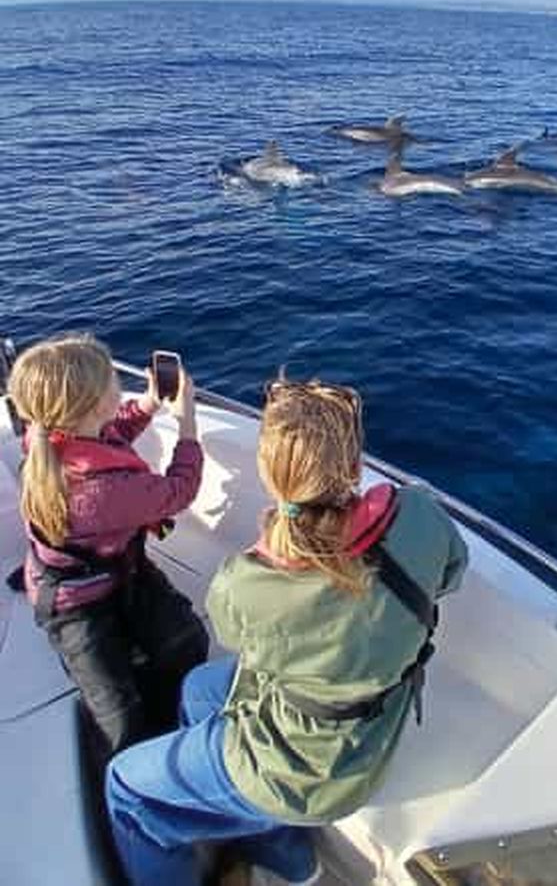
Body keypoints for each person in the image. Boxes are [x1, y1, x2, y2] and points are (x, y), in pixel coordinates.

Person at [106, 378, 468, 886]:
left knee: (124, 787)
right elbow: (450, 575)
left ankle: (246, 828)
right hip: (375, 729)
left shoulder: (247, 581)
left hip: (301, 775)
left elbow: (239, 637)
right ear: (356, 467)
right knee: (198, 690)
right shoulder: (421, 514)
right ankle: (289, 857)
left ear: (269, 474)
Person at [8, 333, 208, 759]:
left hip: (118, 571)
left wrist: (152, 406)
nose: (118, 388)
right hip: (74, 605)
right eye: (112, 382)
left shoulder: (47, 441)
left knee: (184, 642)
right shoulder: (103, 493)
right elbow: (180, 488)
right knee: (119, 717)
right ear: (96, 405)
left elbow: (113, 433)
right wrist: (187, 421)